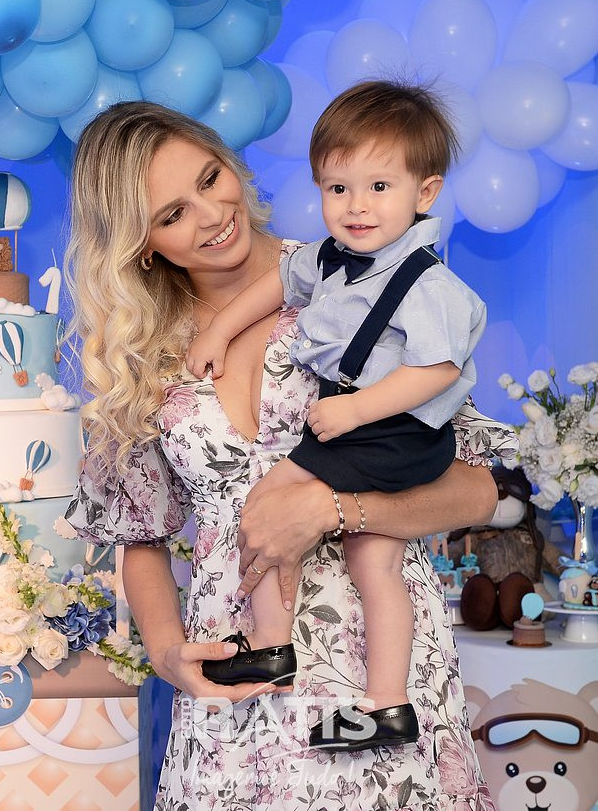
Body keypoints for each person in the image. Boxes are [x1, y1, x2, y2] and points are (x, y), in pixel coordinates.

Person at [64, 100, 514, 810]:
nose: (211, 215)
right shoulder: (141, 353)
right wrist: (168, 653)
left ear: (231, 164)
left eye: (210, 179)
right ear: (141, 244)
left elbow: (488, 489)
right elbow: (139, 536)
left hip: (374, 667)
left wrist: (334, 507)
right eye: (172, 214)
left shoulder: (361, 274)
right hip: (236, 680)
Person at [185, 81, 487, 751]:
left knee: (268, 506)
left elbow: (437, 370)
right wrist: (219, 331)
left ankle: (273, 647)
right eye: (337, 188)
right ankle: (386, 705)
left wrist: (354, 409)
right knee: (372, 559)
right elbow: (277, 282)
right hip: (367, 426)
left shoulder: (428, 283)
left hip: (393, 431)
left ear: (425, 193)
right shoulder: (329, 259)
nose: (356, 206)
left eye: (379, 187)